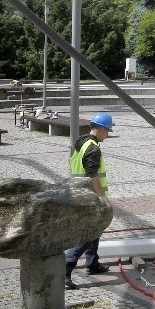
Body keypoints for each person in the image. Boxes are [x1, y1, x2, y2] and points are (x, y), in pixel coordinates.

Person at [65, 112, 114, 290]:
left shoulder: (82, 143)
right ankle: (66, 268)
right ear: (100, 129)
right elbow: (93, 175)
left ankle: (92, 263)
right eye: (107, 131)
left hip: (79, 193)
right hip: (90, 196)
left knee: (95, 230)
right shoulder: (93, 148)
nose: (107, 134)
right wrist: (102, 198)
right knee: (88, 234)